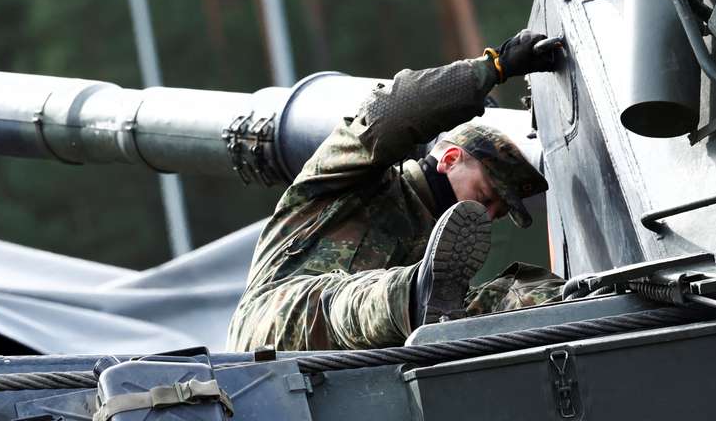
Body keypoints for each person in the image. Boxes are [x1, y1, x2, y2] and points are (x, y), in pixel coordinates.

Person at [227, 30, 565, 352]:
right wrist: (493, 68)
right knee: (343, 301)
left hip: (354, 369)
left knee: (495, 300)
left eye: (498, 212)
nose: (489, 214)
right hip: (272, 328)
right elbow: (393, 112)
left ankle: (581, 300)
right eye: (487, 195)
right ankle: (412, 298)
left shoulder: (443, 252)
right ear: (450, 158)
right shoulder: (353, 178)